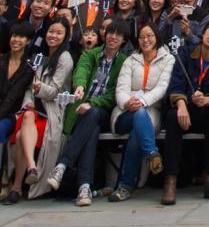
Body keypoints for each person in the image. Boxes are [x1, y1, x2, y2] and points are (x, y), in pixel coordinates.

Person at [47, 20, 129, 206]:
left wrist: (92, 103)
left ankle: (62, 165)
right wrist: (80, 87)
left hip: (103, 111)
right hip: (81, 111)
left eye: (118, 34)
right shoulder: (91, 54)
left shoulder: (124, 62)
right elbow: (81, 70)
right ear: (104, 34)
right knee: (90, 129)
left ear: (124, 40)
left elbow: (114, 93)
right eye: (110, 32)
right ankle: (84, 188)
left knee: (93, 114)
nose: (112, 37)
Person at [161, 19, 209, 205]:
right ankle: (171, 179)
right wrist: (181, 104)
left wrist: (208, 99)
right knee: (171, 117)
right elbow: (176, 83)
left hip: (206, 108)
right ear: (202, 33)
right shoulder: (185, 54)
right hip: (185, 107)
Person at [108, 22, 175, 202]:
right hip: (125, 112)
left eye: (150, 36)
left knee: (138, 130)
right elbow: (121, 88)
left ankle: (125, 185)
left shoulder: (168, 59)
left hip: (150, 110)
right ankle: (151, 153)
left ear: (157, 38)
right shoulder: (131, 60)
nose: (146, 40)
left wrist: (143, 101)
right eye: (142, 37)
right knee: (138, 118)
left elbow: (162, 87)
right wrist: (128, 102)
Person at [8, 17, 73, 203]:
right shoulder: (40, 56)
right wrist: (29, 100)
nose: (53, 35)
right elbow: (29, 88)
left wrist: (40, 89)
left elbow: (54, 90)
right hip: (33, 110)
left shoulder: (65, 58)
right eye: (51, 31)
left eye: (59, 33)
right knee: (27, 114)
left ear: (65, 36)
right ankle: (31, 167)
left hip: (51, 109)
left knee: (21, 136)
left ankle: (17, 186)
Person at [0, 22, 35, 143]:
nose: (16, 40)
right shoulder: (1, 60)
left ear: (28, 41)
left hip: (11, 114)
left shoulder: (29, 67)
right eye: (14, 36)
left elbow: (13, 96)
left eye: (21, 37)